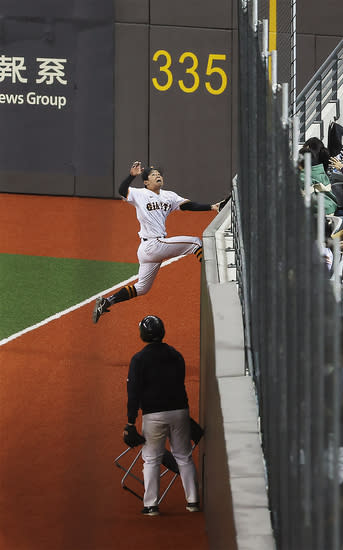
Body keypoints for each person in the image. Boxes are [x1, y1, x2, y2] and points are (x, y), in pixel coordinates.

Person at [93, 162, 222, 323]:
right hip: (153, 245)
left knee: (142, 288)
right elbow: (121, 191)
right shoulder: (139, 194)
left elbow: (189, 205)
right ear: (146, 182)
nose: (158, 176)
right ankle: (214, 279)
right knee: (195, 243)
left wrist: (211, 207)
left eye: (159, 174)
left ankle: (107, 301)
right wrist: (131, 176)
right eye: (153, 175)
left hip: (149, 250)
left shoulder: (169, 196)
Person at [123, 315, 199, 515]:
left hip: (154, 415)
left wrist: (130, 422)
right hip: (180, 412)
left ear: (143, 334)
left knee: (151, 459)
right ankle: (193, 502)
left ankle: (151, 505)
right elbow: (180, 383)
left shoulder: (139, 359)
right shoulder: (176, 354)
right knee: (184, 456)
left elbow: (133, 393)